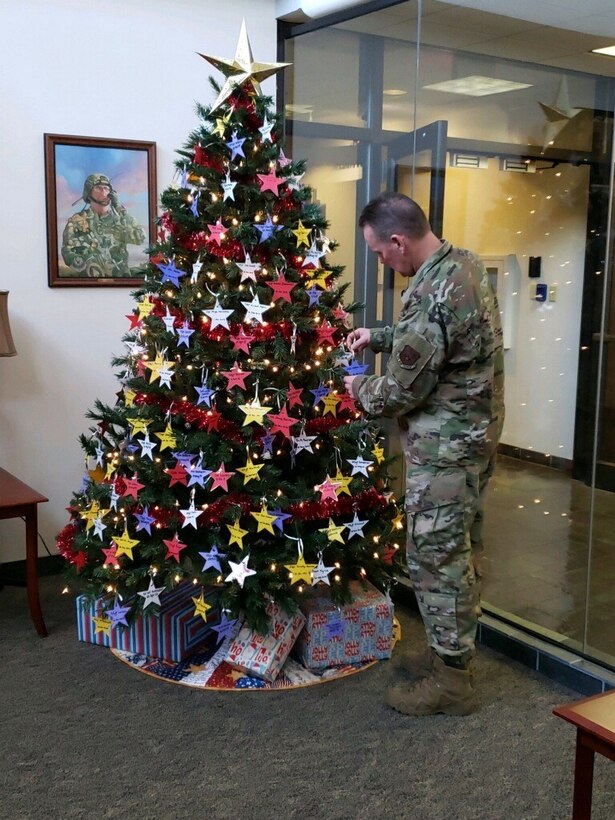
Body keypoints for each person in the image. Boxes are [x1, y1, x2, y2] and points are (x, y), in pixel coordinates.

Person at [344, 192, 504, 717]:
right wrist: (382, 335)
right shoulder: (464, 264)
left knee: (437, 559)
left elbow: (402, 392)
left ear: (397, 239)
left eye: (379, 252)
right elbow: (439, 340)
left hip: (445, 451)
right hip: (472, 439)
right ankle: (447, 657)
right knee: (459, 551)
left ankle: (451, 685)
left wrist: (355, 389)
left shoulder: (430, 291)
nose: (381, 261)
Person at [61, 173, 146, 278]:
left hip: (121, 281)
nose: (103, 191)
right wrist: (82, 263)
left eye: (106, 188)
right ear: (88, 192)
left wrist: (119, 209)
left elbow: (140, 237)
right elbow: (67, 250)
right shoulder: (77, 221)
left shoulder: (120, 219)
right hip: (88, 282)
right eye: (98, 188)